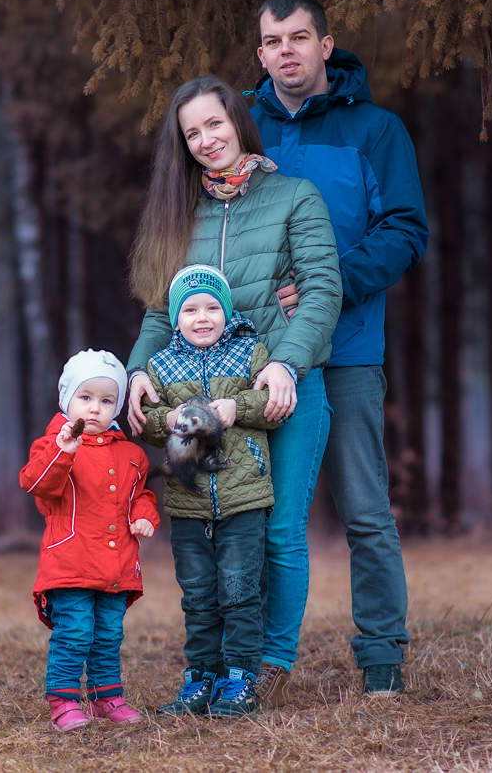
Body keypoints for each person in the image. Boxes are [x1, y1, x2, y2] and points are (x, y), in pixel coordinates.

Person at [125, 74, 342, 708]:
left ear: (239, 122)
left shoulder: (295, 196)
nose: (205, 140)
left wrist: (289, 363)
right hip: (199, 407)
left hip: (280, 390)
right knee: (207, 540)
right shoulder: (179, 213)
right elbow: (160, 314)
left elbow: (322, 289)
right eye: (191, 133)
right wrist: (139, 370)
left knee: (277, 531)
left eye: (214, 124)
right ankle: (216, 670)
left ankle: (269, 665)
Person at [251, 0, 429, 697]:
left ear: (328, 45)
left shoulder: (376, 130)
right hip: (254, 354)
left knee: (364, 508)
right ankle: (250, 659)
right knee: (252, 511)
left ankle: (382, 656)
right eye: (273, 41)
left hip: (347, 346)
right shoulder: (242, 126)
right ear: (260, 53)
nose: (286, 51)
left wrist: (330, 284)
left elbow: (405, 231)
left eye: (300, 37)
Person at [138, 264, 279, 717]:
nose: (203, 317)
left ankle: (240, 680)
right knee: (197, 594)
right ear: (176, 318)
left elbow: (275, 409)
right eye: (191, 309)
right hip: (189, 500)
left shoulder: (250, 353)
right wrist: (172, 419)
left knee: (239, 590)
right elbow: (150, 424)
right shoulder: (161, 366)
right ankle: (202, 678)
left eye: (213, 307)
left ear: (227, 311)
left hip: (242, 498)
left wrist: (238, 408)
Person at [20, 348, 160, 732]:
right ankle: (63, 701)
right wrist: (63, 451)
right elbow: (36, 483)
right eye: (85, 398)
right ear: (68, 399)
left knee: (108, 633)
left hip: (116, 564)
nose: (95, 408)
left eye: (106, 400)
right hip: (71, 563)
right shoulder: (53, 447)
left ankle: (106, 697)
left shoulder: (131, 454)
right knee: (76, 630)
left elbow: (140, 495)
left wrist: (144, 515)